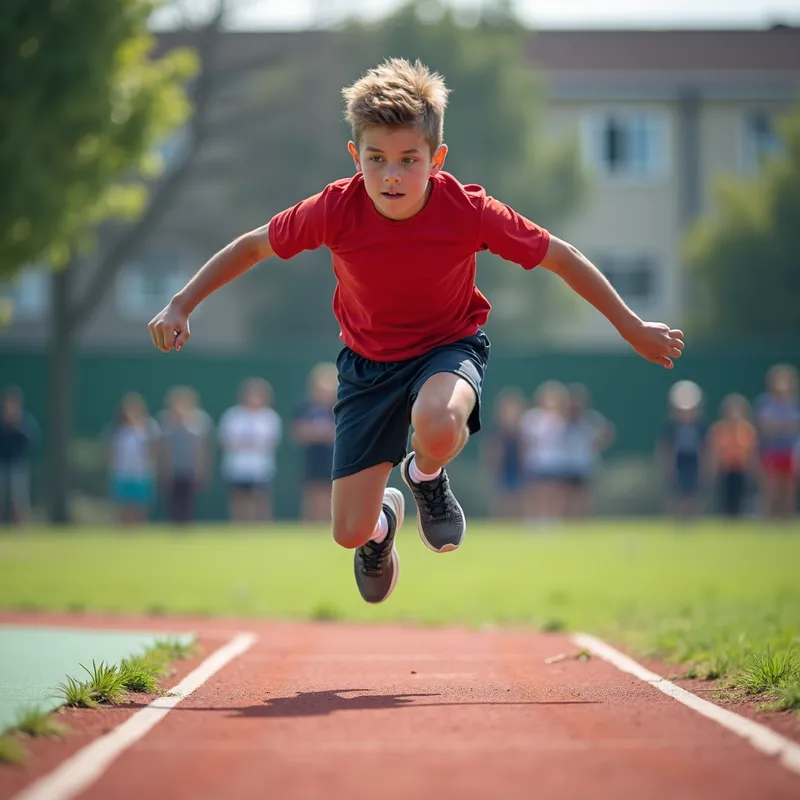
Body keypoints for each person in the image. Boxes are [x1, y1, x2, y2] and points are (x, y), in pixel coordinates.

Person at [148, 58, 685, 603]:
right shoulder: (335, 209)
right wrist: (180, 303)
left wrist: (632, 325)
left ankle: (425, 476)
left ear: (436, 159)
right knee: (347, 532)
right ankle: (383, 521)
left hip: (447, 349)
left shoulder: (469, 210)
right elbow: (254, 246)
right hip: (366, 366)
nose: (392, 175)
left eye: (409, 160)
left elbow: (560, 257)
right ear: (356, 157)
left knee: (438, 420)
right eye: (377, 159)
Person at [218, 378, 282, 523]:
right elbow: (226, 440)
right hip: (238, 465)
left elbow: (272, 442)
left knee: (260, 497)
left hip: (260, 465)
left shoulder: (270, 417)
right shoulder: (233, 416)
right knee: (239, 497)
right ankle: (238, 525)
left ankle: (261, 526)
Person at [157, 386, 213, 525]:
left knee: (189, 502)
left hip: (190, 469)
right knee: (173, 502)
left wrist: (202, 469)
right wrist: (163, 469)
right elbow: (163, 448)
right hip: (173, 469)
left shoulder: (200, 420)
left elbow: (202, 448)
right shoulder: (165, 420)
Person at [560, 384, 615, 518]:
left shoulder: (591, 419)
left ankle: (583, 521)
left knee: (584, 495)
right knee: (565, 496)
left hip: (585, 464)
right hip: (566, 464)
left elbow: (607, 434)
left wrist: (596, 444)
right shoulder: (562, 420)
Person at [292, 362, 338, 522]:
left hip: (333, 456)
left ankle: (329, 523)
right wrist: (319, 433)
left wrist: (321, 433)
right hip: (313, 455)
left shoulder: (338, 408)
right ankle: (310, 523)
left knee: (332, 491)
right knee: (312, 490)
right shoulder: (305, 407)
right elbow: (298, 431)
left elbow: (339, 433)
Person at [520, 381, 569, 523]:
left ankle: (554, 518)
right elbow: (526, 440)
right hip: (536, 460)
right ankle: (536, 517)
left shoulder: (561, 419)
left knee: (554, 490)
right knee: (537, 490)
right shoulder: (532, 417)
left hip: (555, 460)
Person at [754, 364, 799, 520]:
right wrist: (787, 425)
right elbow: (767, 426)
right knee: (770, 489)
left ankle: (787, 521)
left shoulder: (795, 403)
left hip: (791, 451)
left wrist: (782, 426)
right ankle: (767, 520)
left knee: (789, 489)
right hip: (772, 451)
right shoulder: (765, 402)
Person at [658, 380, 708, 521]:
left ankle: (692, 519)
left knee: (693, 490)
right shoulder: (671, 424)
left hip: (693, 459)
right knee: (676, 491)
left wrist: (706, 465)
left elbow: (705, 446)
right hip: (678, 459)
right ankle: (676, 519)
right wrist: (667, 465)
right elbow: (665, 446)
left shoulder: (700, 425)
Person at [107, 393, 159, 526]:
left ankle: (140, 529)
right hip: (122, 472)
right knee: (123, 504)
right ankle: (123, 529)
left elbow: (154, 449)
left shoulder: (149, 427)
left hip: (141, 473)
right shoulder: (117, 429)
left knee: (140, 504)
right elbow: (111, 450)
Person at [708, 393, 758, 518]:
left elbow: (752, 452)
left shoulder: (747, 429)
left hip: (741, 469)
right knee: (726, 498)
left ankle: (738, 519)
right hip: (725, 470)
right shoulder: (719, 429)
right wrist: (712, 470)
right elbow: (715, 451)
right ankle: (727, 519)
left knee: (741, 498)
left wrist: (754, 470)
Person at [483, 387, 526, 519]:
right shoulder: (498, 432)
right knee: (501, 498)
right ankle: (499, 522)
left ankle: (516, 522)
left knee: (518, 498)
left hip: (518, 469)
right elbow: (491, 451)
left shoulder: (521, 432)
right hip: (502, 470)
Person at [0, 386, 40, 526]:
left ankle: (19, 525)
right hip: (2, 462)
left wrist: (16, 427)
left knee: (18, 497)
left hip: (18, 463)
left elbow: (31, 440)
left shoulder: (24, 420)